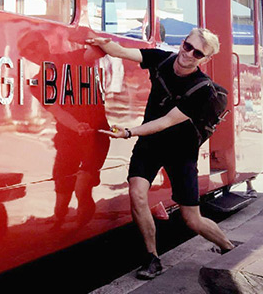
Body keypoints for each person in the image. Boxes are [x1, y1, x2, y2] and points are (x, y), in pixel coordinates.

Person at [86, 28, 234, 280]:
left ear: (205, 60)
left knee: (192, 219)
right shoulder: (162, 59)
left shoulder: (202, 90)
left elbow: (166, 121)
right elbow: (122, 52)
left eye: (198, 53)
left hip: (181, 151)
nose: (189, 54)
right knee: (137, 193)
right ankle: (152, 258)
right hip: (151, 145)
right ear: (183, 42)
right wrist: (101, 42)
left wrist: (129, 132)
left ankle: (229, 249)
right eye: (188, 46)